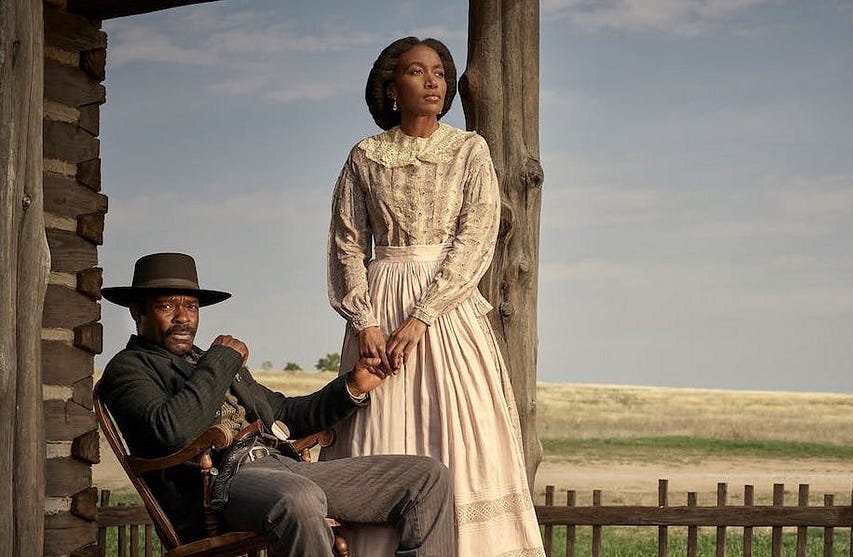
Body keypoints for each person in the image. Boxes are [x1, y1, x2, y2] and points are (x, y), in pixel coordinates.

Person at [322, 36, 545, 556]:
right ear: (391, 88)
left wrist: (423, 316)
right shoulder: (364, 156)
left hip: (446, 311)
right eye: (418, 72)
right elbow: (347, 242)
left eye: (440, 73)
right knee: (377, 427)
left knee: (462, 430)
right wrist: (365, 321)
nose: (432, 82)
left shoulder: (469, 149)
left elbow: (476, 235)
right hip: (377, 308)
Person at [96, 252, 455, 557]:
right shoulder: (128, 368)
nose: (184, 317)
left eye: (190, 306)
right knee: (298, 497)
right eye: (167, 305)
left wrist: (352, 387)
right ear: (136, 312)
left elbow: (285, 414)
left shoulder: (210, 361)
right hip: (220, 488)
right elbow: (170, 431)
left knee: (426, 477)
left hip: (283, 467)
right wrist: (221, 360)